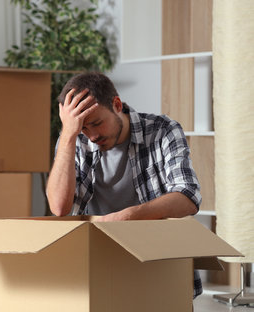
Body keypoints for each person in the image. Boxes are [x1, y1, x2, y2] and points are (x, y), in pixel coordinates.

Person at [46, 72, 203, 297]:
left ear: (117, 105)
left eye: (96, 123)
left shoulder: (162, 130)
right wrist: (69, 135)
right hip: (95, 260)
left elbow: (188, 196)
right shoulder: (74, 140)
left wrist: (128, 217)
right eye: (83, 129)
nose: (91, 136)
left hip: (154, 259)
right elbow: (59, 208)